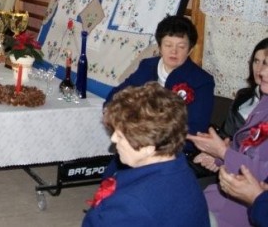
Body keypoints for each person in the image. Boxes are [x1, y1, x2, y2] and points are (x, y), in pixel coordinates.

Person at [83, 83, 210, 226]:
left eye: (120, 136)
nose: (113, 139)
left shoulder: (131, 204)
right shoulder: (180, 168)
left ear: (148, 147)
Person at [105, 15, 215, 151]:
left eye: (181, 46)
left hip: (172, 151)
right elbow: (114, 99)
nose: (174, 51)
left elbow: (196, 130)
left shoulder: (201, 81)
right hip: (134, 142)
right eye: (168, 45)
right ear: (159, 47)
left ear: (190, 50)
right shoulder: (147, 66)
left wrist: (152, 141)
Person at [187, 50, 268, 227]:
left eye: (267, 65)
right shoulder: (265, 103)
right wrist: (218, 156)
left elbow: (263, 173)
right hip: (224, 195)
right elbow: (248, 148)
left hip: (246, 211)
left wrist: (223, 153)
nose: (261, 72)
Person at [220, 38, 268, 138]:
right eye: (256, 61)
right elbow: (225, 134)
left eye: (265, 63)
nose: (259, 69)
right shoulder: (243, 96)